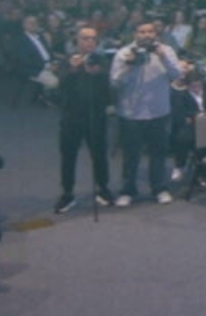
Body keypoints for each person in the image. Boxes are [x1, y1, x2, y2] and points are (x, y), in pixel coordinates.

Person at [110, 21, 184, 206]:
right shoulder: (123, 53)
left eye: (150, 31)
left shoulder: (166, 50)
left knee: (158, 153)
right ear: (135, 34)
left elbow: (178, 75)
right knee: (131, 155)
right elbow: (114, 82)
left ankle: (159, 188)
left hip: (158, 111)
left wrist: (163, 58)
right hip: (131, 113)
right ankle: (128, 190)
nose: (146, 35)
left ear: (155, 34)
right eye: (142, 32)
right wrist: (129, 65)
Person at [55, 25, 113, 213]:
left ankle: (103, 188)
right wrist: (73, 69)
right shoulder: (67, 60)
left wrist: (97, 73)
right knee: (68, 155)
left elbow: (110, 87)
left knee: (99, 154)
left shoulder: (102, 60)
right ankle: (67, 193)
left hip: (96, 116)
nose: (89, 42)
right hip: (71, 117)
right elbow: (60, 85)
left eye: (93, 38)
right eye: (85, 38)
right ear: (77, 41)